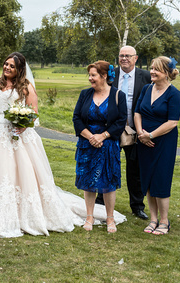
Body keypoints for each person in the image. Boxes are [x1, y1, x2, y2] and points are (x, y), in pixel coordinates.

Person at [0, 53, 125, 238]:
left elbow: (33, 114)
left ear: (20, 69)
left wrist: (22, 124)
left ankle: (104, 217)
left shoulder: (26, 87)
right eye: (5, 64)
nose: (7, 68)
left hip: (14, 134)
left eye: (11, 66)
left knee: (14, 173)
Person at [73, 61, 127, 233]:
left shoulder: (118, 95)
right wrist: (90, 137)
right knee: (88, 181)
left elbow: (121, 121)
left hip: (108, 144)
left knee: (108, 181)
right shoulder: (85, 94)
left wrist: (103, 136)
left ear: (104, 76)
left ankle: (110, 217)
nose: (90, 79)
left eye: (93, 75)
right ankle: (90, 216)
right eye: (89, 75)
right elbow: (76, 118)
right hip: (87, 143)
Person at [96, 46, 150, 220]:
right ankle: (100, 201)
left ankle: (137, 205)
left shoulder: (146, 76)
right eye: (121, 56)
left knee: (135, 169)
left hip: (135, 130)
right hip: (111, 129)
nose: (124, 58)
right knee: (106, 164)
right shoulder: (111, 75)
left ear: (135, 58)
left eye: (128, 56)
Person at [134, 56, 180, 235]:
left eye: (157, 69)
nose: (152, 72)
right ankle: (153, 219)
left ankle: (164, 221)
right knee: (147, 179)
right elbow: (137, 112)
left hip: (164, 142)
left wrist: (151, 135)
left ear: (167, 74)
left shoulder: (174, 94)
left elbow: (173, 122)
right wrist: (141, 134)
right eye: (151, 68)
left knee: (161, 179)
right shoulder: (146, 88)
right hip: (143, 141)